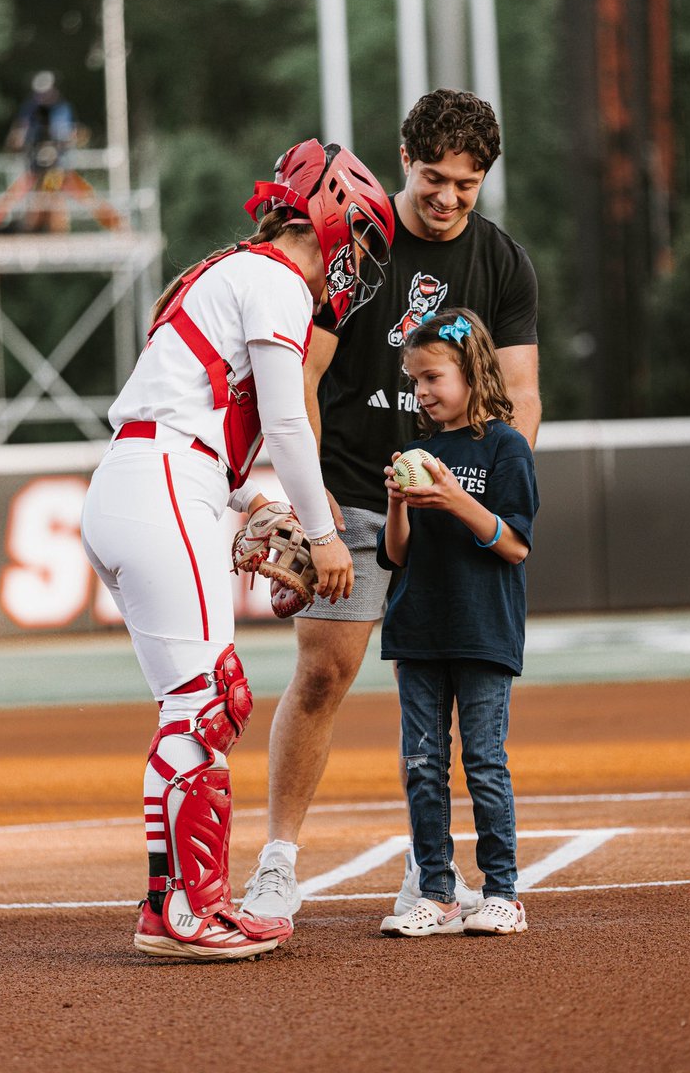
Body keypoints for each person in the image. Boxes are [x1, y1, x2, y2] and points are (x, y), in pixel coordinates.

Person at [80, 139, 395, 962]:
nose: (355, 261)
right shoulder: (275, 281)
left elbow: (191, 416)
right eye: (359, 237)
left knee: (192, 706)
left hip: (141, 481)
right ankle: (194, 911)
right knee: (208, 704)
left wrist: (252, 500)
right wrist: (323, 533)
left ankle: (168, 905)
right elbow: (288, 422)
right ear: (331, 216)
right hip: (162, 484)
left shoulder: (233, 273)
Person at [242, 90, 541, 924]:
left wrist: (482, 489)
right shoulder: (358, 248)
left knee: (448, 696)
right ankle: (277, 862)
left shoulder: (505, 263)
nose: (448, 198)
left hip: (454, 505)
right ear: (406, 159)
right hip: (351, 491)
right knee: (324, 673)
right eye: (434, 178)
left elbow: (520, 396)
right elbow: (301, 376)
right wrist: (315, 509)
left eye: (467, 185)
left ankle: (430, 873)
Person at [375, 307, 539, 936]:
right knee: (422, 762)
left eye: (432, 377)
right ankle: (438, 892)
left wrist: (453, 498)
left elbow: (515, 544)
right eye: (415, 380)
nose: (421, 392)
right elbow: (396, 553)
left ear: (471, 372)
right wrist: (397, 504)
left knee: (484, 762)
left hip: (482, 628)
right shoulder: (421, 450)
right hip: (417, 626)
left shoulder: (506, 446)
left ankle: (503, 892)